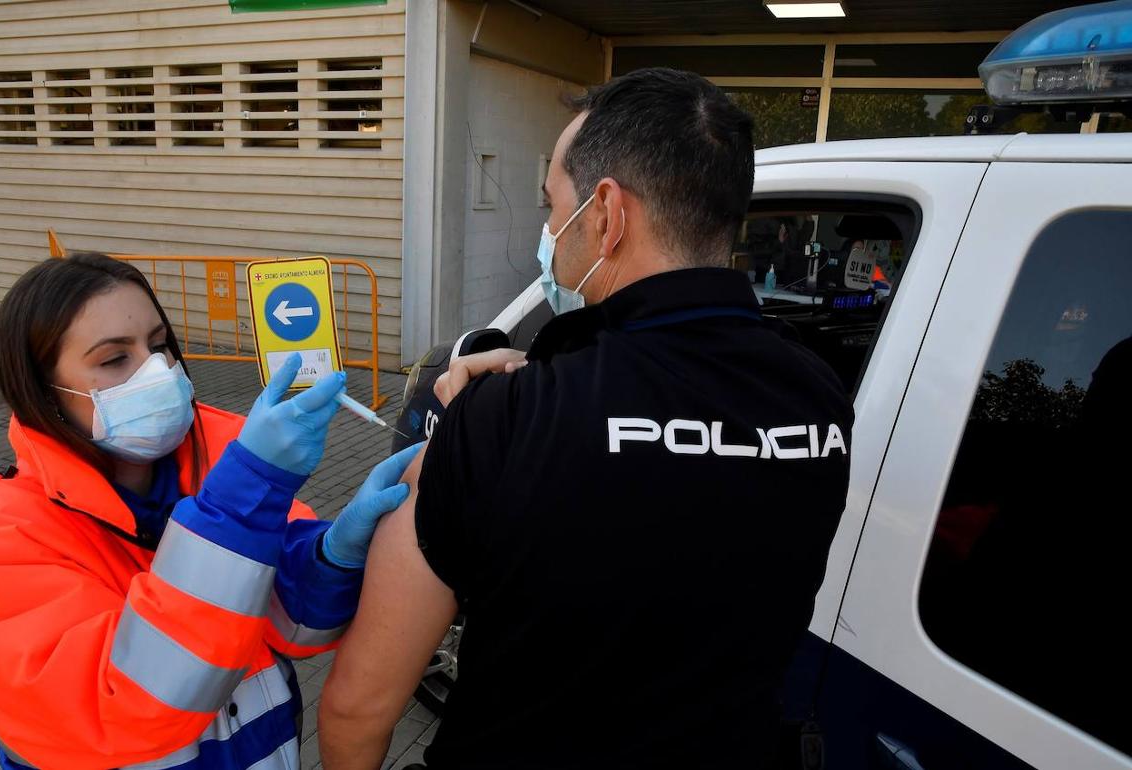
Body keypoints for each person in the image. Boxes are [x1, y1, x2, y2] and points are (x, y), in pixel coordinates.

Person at [318, 68, 854, 769]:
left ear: (605, 214)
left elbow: (357, 708)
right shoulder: (817, 397)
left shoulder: (506, 418)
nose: (548, 232)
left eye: (552, 205)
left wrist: (473, 429)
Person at [0, 251, 420, 770]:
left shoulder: (219, 459)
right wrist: (243, 501)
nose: (159, 371)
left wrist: (331, 556)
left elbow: (293, 626)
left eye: (159, 344)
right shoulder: (4, 539)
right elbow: (133, 707)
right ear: (43, 392)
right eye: (113, 359)